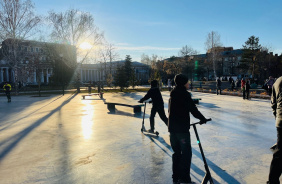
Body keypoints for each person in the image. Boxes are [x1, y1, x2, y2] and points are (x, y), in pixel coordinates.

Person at [168, 74, 208, 184]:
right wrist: (202, 118)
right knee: (186, 154)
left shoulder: (173, 93)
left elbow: (170, 112)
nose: (189, 84)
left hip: (172, 130)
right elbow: (193, 110)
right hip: (181, 131)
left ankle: (175, 177)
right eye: (187, 82)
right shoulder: (184, 94)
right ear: (183, 83)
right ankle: (184, 178)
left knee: (177, 153)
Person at [267, 76, 282, 184]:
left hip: (280, 122)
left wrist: (278, 118)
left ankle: (273, 181)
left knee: (279, 154)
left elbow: (273, 103)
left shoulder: (278, 81)